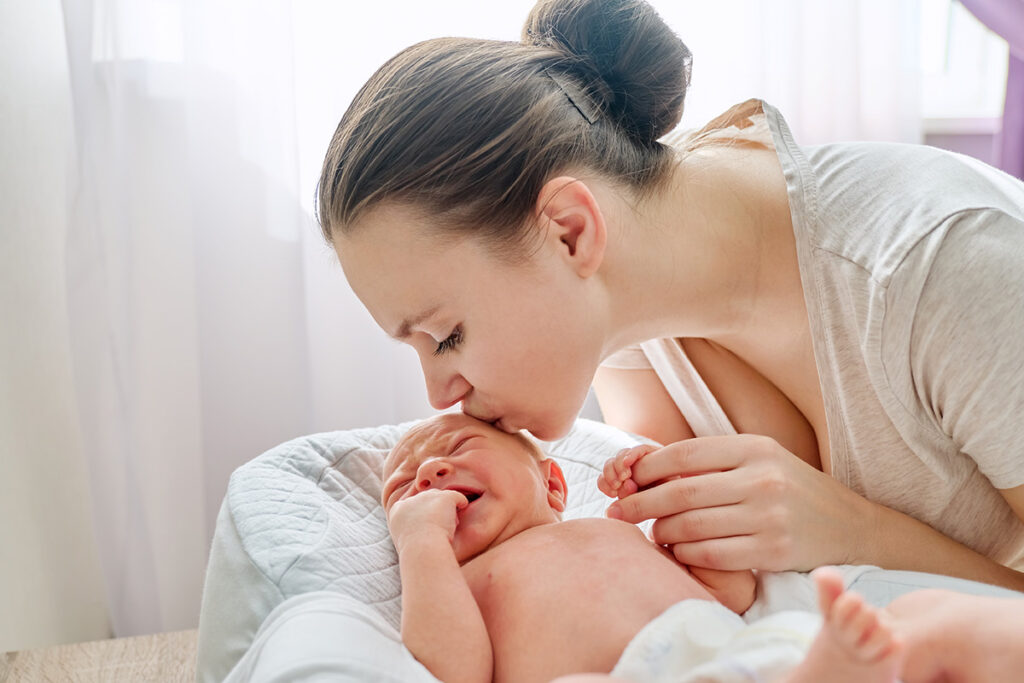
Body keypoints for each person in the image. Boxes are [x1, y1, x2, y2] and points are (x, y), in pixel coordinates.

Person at [318, 0, 1024, 591]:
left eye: (447, 336)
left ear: (568, 231)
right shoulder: (624, 323)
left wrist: (853, 532)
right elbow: (705, 596)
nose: (440, 391)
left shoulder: (939, 269)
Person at [384, 412, 1024, 683]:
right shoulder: (456, 581)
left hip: (745, 653)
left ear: (553, 485)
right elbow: (453, 670)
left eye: (457, 450)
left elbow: (734, 592)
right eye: (404, 487)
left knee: (923, 621)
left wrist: (673, 491)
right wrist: (421, 544)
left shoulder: (611, 529)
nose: (430, 474)